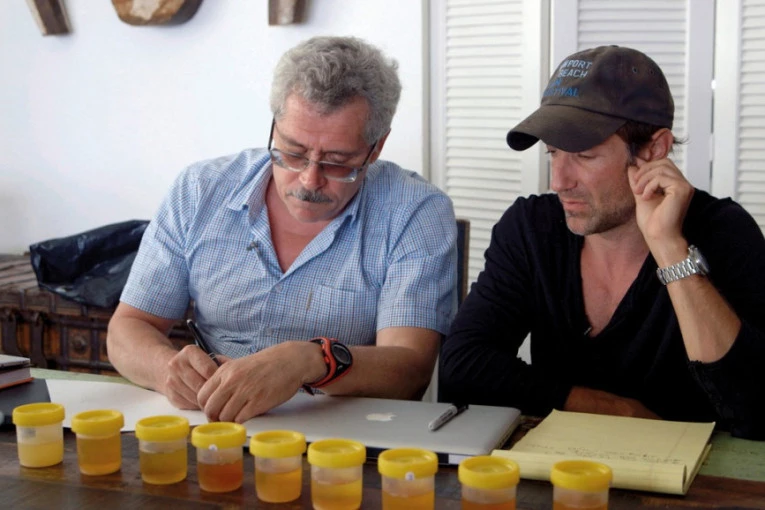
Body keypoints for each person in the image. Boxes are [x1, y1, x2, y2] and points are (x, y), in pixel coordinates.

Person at [107, 36, 457, 423]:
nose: (308, 180)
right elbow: (128, 328)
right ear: (275, 126)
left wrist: (311, 360)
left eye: (337, 162)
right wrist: (167, 370)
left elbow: (410, 372)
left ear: (377, 147)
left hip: (342, 437)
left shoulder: (414, 212)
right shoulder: (200, 190)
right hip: (213, 425)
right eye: (292, 152)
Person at [439, 45, 765, 439]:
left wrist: (668, 247)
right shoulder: (532, 228)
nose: (559, 181)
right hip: (562, 468)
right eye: (553, 153)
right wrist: (610, 408)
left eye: (584, 155)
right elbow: (461, 370)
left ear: (653, 150)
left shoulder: (724, 232)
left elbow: (754, 411)